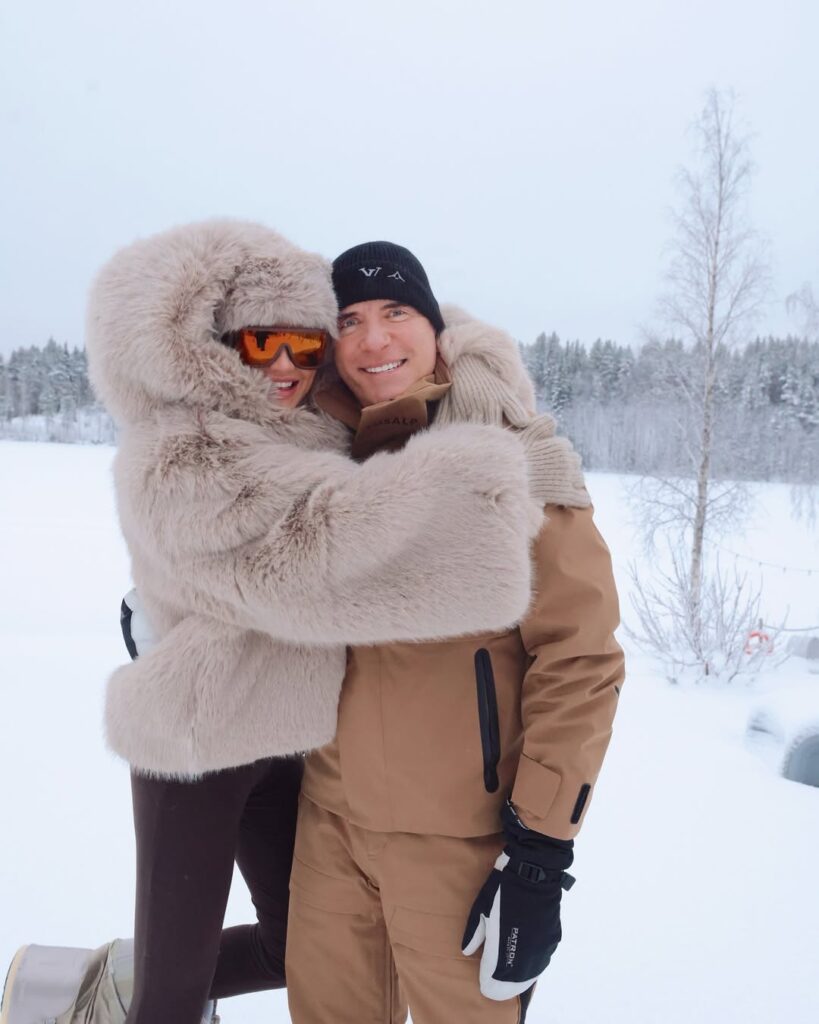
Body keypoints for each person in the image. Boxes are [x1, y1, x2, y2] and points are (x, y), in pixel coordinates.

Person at [0, 221, 558, 1024]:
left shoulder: (306, 428)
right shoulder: (178, 451)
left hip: (292, 735)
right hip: (196, 742)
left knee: (297, 945)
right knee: (173, 997)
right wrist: (492, 472)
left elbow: (403, 337)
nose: (291, 368)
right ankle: (122, 992)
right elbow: (319, 555)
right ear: (221, 349)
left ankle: (124, 973)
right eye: (265, 345)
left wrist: (472, 362)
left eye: (309, 345)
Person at [284, 242, 626, 1024]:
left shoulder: (516, 458)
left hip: (459, 845)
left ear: (434, 329)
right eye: (351, 320)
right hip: (329, 825)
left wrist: (540, 851)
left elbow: (580, 658)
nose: (374, 339)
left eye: (396, 313)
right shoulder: (316, 460)